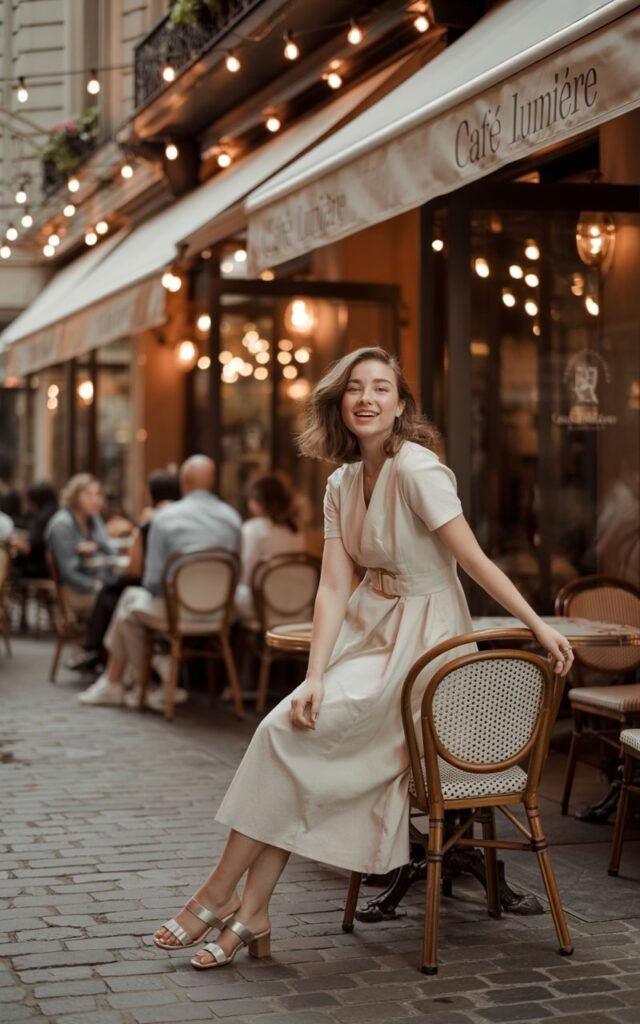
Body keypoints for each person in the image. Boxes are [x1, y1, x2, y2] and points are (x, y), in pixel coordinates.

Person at [151, 347, 575, 970]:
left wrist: (537, 625)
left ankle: (218, 894)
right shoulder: (341, 483)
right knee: (292, 733)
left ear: (401, 406)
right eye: (355, 388)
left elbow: (473, 560)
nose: (367, 398)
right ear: (340, 402)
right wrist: (315, 676)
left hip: (427, 645)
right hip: (369, 634)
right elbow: (331, 587)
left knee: (282, 737)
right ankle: (251, 911)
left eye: (381, 388)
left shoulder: (419, 469)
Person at [77, 455, 241, 706]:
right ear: (212, 482)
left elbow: (152, 583)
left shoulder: (164, 519)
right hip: (221, 614)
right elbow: (237, 572)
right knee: (128, 604)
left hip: (176, 612)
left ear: (184, 483)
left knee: (128, 606)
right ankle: (138, 681)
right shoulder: (233, 518)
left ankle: (142, 680)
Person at [72, 470, 181, 674]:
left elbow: (136, 570)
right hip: (199, 601)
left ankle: (126, 671)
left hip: (164, 599)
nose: (95, 499)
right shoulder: (187, 522)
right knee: (115, 593)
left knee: (119, 599)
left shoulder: (153, 523)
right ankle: (112, 667)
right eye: (90, 494)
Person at [235, 473, 306, 626]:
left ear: (258, 502)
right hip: (296, 603)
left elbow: (247, 575)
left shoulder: (253, 529)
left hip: (264, 606)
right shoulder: (296, 530)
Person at [45, 474, 116, 618]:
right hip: (75, 591)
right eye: (88, 494)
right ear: (75, 496)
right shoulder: (62, 524)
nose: (95, 500)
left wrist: (96, 546)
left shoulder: (93, 518)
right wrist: (97, 585)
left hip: (98, 583)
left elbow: (110, 551)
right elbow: (69, 573)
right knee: (116, 604)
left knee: (123, 598)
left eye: (98, 494)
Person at [11, 482, 59, 580]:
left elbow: (30, 547)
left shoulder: (44, 518)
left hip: (43, 567)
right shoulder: (55, 511)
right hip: (51, 566)